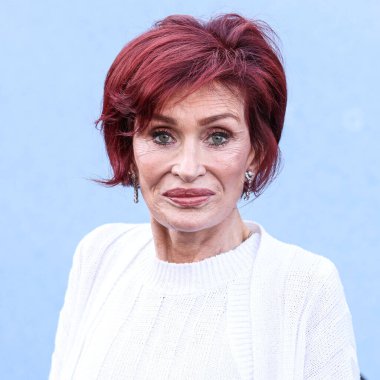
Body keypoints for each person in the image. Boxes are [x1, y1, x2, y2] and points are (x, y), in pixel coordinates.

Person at [49, 14, 360, 379]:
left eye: (218, 137)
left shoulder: (304, 284)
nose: (188, 167)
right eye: (162, 135)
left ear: (256, 151)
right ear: (127, 146)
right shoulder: (100, 255)